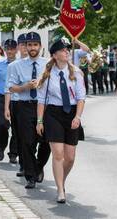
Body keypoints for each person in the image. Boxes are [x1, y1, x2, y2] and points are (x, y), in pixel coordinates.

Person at [37, 37, 86, 203]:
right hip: (53, 114)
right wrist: (39, 121)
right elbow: (42, 100)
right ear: (55, 55)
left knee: (70, 157)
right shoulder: (47, 74)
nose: (67, 52)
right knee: (58, 154)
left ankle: (61, 180)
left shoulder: (77, 73)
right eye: (63, 50)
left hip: (72, 113)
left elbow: (81, 98)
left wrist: (78, 116)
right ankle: (60, 190)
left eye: (67, 50)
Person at [7, 32, 51, 189]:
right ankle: (30, 176)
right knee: (27, 142)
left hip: (44, 106)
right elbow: (11, 87)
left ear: (40, 46)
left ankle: (39, 166)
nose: (32, 48)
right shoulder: (15, 66)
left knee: (46, 140)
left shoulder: (48, 64)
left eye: (35, 45)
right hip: (24, 106)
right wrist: (26, 86)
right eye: (29, 45)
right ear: (25, 46)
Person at [0, 39, 18, 163]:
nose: (10, 51)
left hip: (17, 98)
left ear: (16, 49)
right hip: (1, 98)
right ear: (5, 50)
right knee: (2, 125)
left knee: (17, 128)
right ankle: (1, 147)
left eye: (12, 48)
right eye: (7, 48)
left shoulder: (21, 64)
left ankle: (13, 153)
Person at [5, 33, 29, 177]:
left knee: (32, 137)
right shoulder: (14, 65)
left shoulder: (39, 63)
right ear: (18, 47)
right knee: (19, 135)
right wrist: (6, 107)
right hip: (16, 103)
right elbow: (8, 88)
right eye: (23, 44)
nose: (25, 47)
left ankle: (31, 162)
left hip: (33, 104)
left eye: (28, 44)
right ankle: (23, 165)